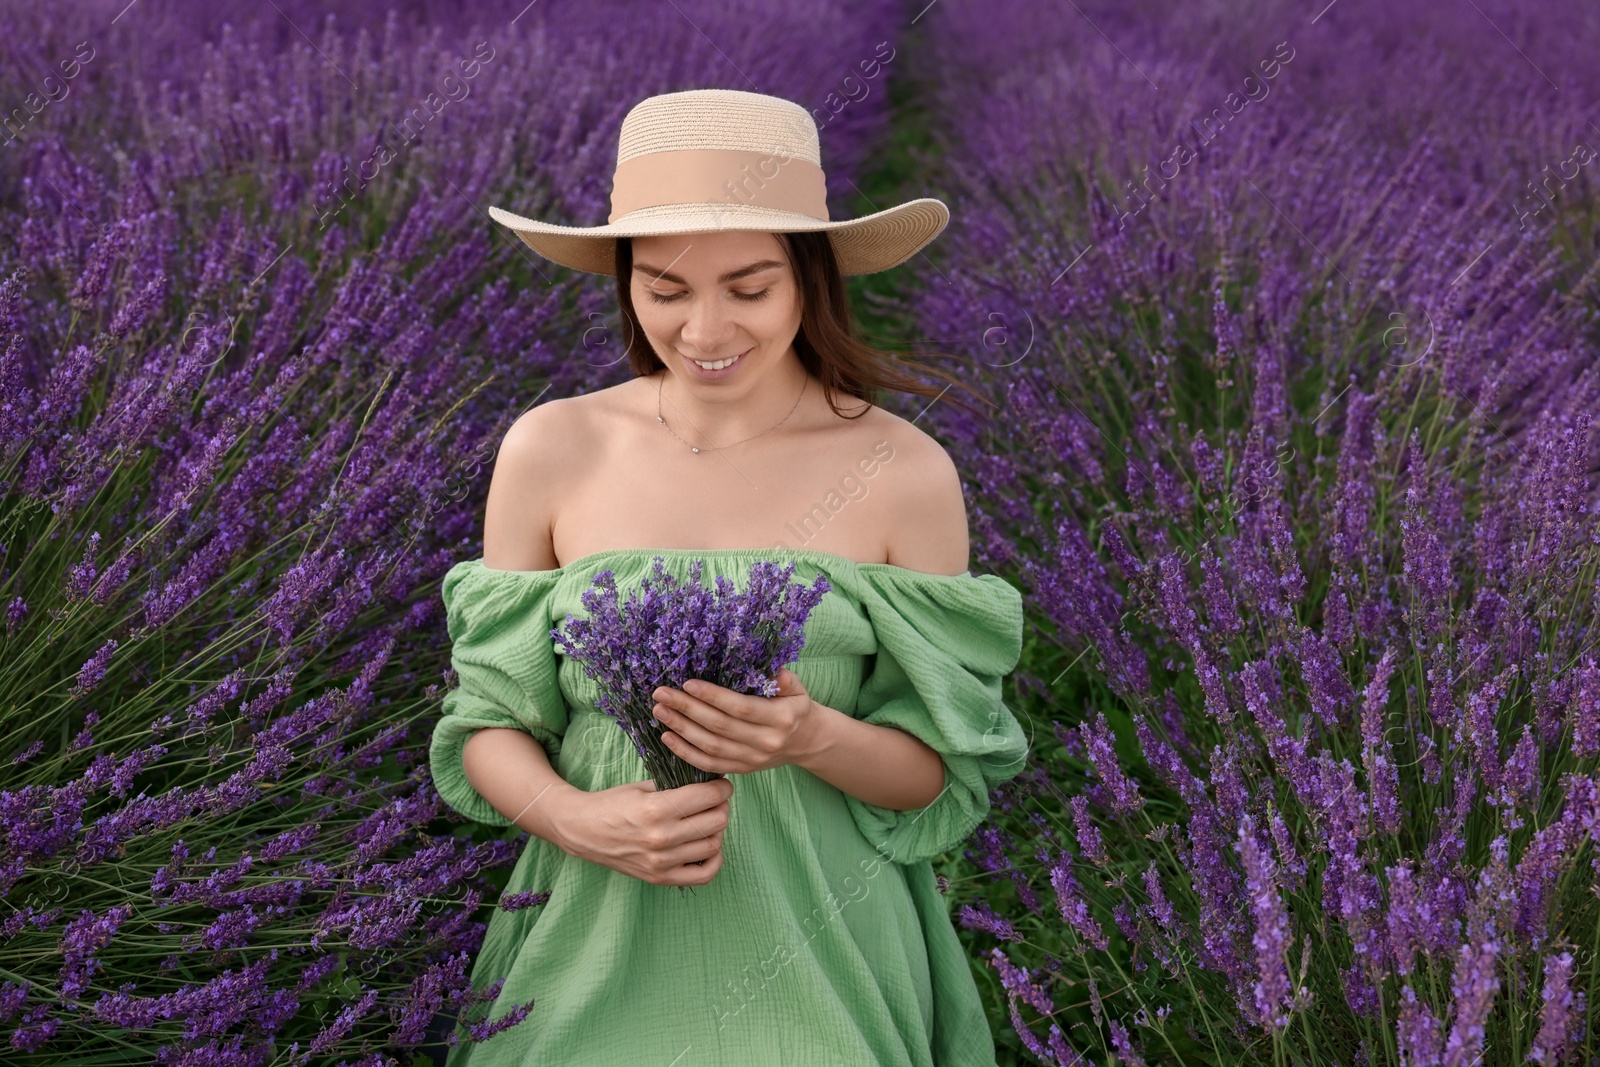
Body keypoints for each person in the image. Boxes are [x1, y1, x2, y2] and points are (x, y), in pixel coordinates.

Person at [430, 87, 1029, 1066]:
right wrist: (579, 818)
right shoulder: (552, 447)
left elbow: (939, 771)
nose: (706, 331)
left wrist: (813, 734)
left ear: (810, 280)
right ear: (624, 282)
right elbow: (489, 722)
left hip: (824, 950)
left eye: (748, 289)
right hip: (591, 934)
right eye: (666, 291)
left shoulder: (904, 468)